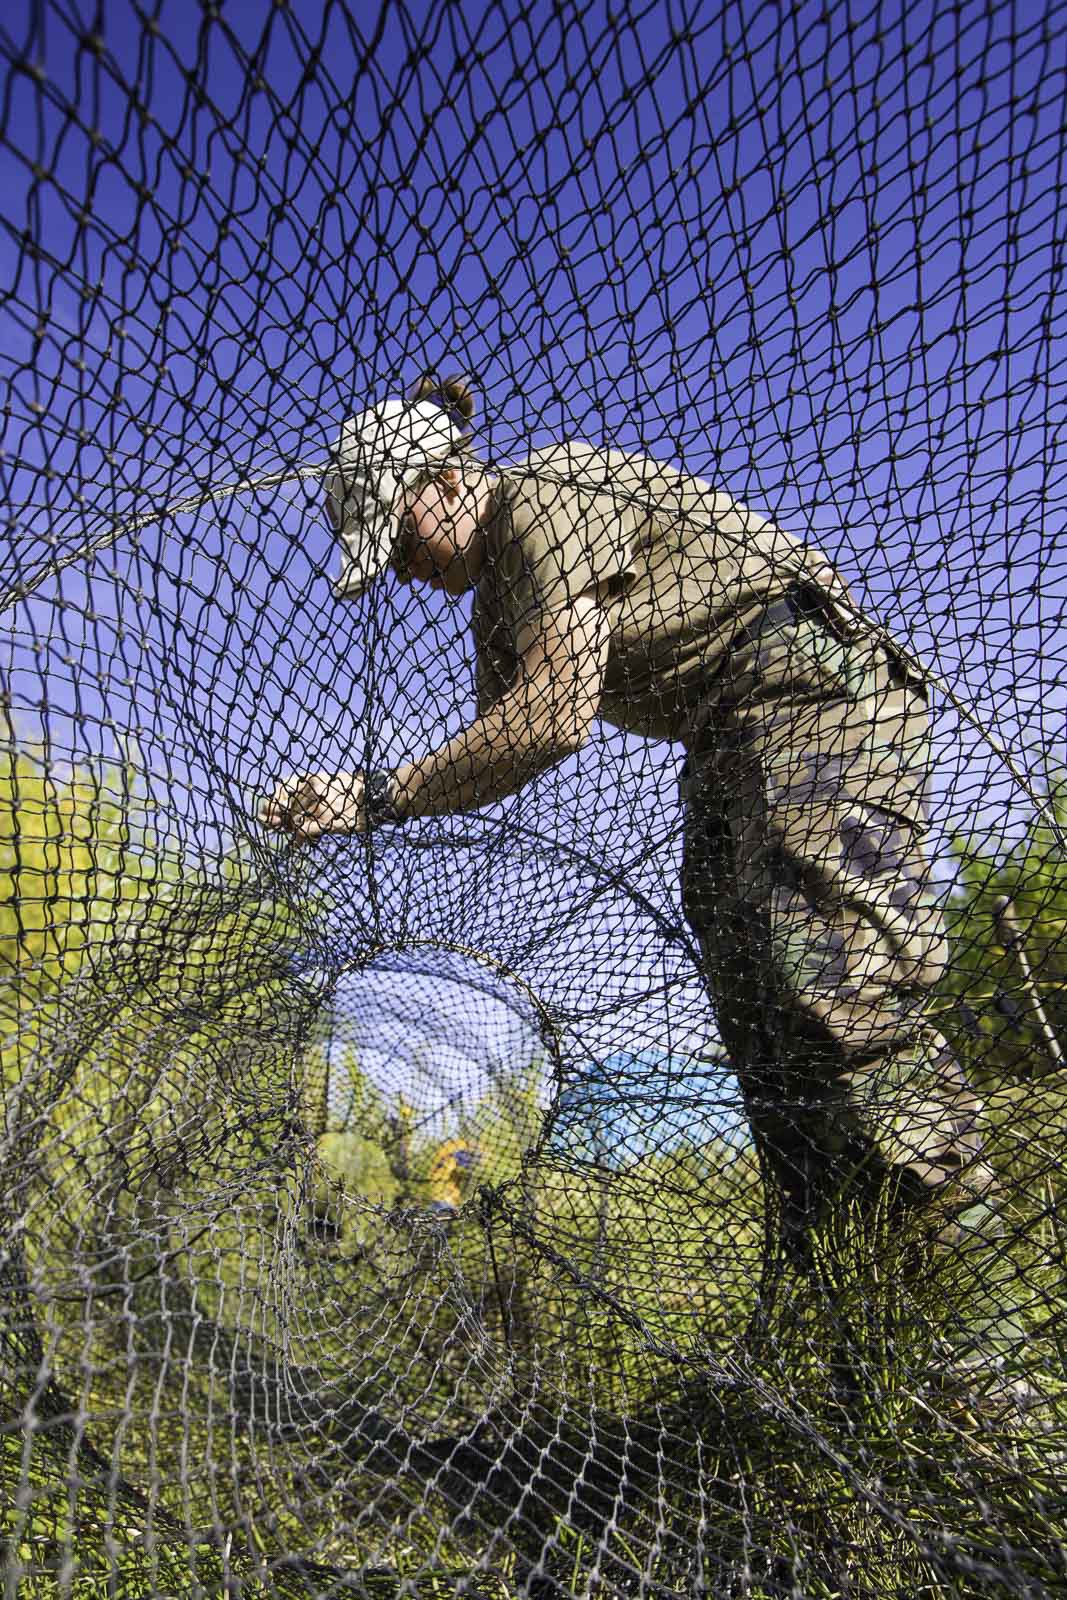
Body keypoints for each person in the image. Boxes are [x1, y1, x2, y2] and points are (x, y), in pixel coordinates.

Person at [260, 375, 994, 1269]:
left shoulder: (543, 494)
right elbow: (501, 749)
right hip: (726, 741)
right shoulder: (499, 606)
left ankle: (970, 1319)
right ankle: (847, 1291)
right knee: (755, 1009)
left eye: (399, 538)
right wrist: (375, 798)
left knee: (831, 983)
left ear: (446, 482)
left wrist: (370, 797)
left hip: (807, 691)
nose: (404, 571)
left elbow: (550, 719)